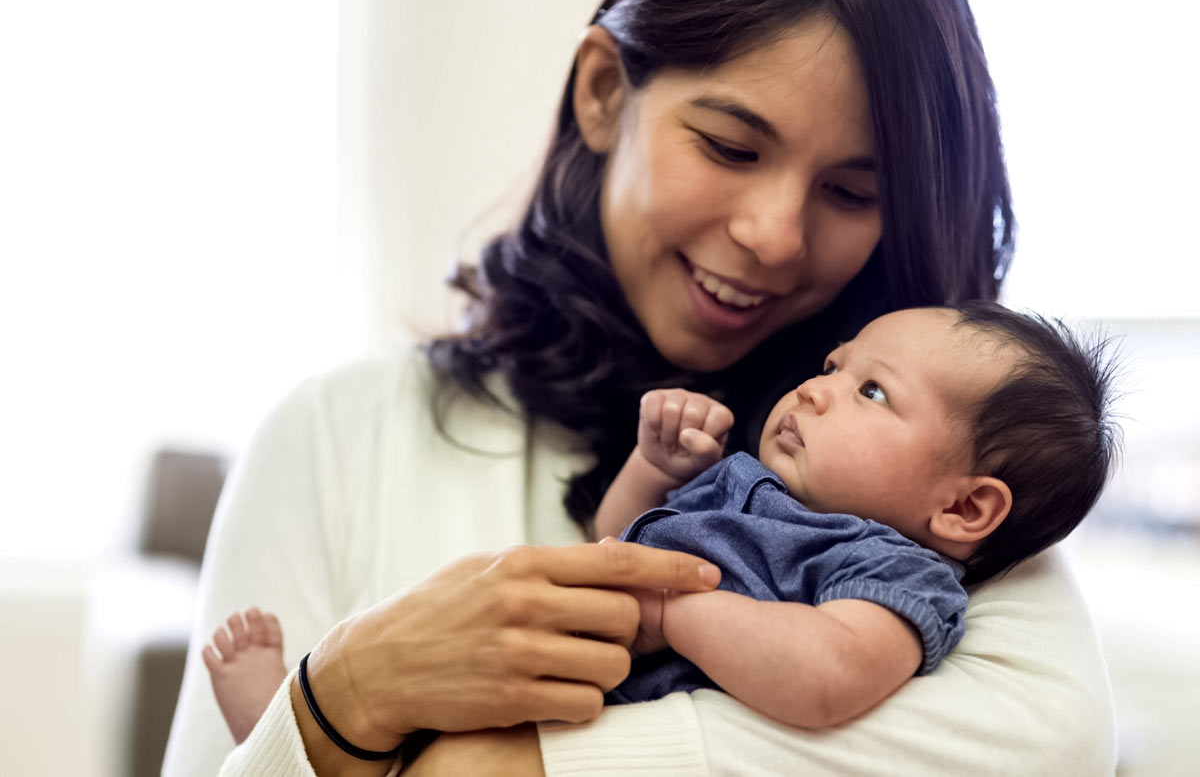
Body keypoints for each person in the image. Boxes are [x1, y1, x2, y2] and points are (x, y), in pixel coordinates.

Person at [164, 0, 1119, 775]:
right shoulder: (335, 432)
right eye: (731, 147)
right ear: (603, 94)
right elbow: (615, 549)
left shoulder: (927, 494)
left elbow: (1048, 743)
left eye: (852, 192)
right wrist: (345, 694)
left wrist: (509, 766)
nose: (775, 235)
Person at [200, 303, 1118, 741]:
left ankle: (292, 731)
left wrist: (674, 610)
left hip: (604, 724)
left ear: (964, 506)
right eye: (836, 365)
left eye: (871, 391)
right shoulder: (746, 483)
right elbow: (615, 540)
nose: (818, 388)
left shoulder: (891, 571)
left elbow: (826, 677)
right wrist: (654, 471)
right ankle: (283, 721)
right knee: (437, 711)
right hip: (554, 669)